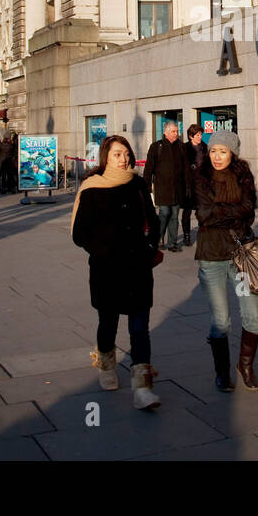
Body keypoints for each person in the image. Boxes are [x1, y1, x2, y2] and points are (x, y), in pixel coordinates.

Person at [70, 135, 162, 410]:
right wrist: (103, 251)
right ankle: (107, 365)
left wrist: (148, 248)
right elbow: (79, 233)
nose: (123, 159)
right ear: (105, 158)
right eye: (116, 155)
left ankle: (142, 387)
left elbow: (153, 219)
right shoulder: (92, 187)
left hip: (137, 266)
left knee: (139, 327)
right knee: (107, 322)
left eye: (126, 154)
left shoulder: (137, 183)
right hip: (106, 269)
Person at [193, 130, 258, 392]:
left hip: (241, 257)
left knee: (252, 315)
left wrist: (218, 211)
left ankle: (245, 365)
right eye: (213, 151)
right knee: (221, 320)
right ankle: (222, 373)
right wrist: (233, 213)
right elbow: (202, 215)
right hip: (211, 257)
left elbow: (248, 209)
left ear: (232, 152)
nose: (217, 156)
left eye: (223, 151)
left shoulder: (243, 175)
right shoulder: (200, 177)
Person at [143, 120, 189, 253]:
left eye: (177, 131)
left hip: (177, 189)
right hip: (162, 188)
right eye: (173, 131)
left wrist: (188, 186)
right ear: (166, 132)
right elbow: (148, 168)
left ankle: (172, 243)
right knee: (164, 213)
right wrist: (147, 185)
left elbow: (186, 168)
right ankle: (158, 238)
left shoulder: (181, 146)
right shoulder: (156, 146)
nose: (176, 134)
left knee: (174, 216)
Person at [180, 123, 206, 246]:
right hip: (188, 184)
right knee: (187, 211)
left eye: (201, 134)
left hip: (202, 184)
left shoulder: (205, 147)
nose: (200, 137)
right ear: (191, 136)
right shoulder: (184, 148)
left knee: (202, 210)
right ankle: (186, 235)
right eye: (197, 135)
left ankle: (203, 233)